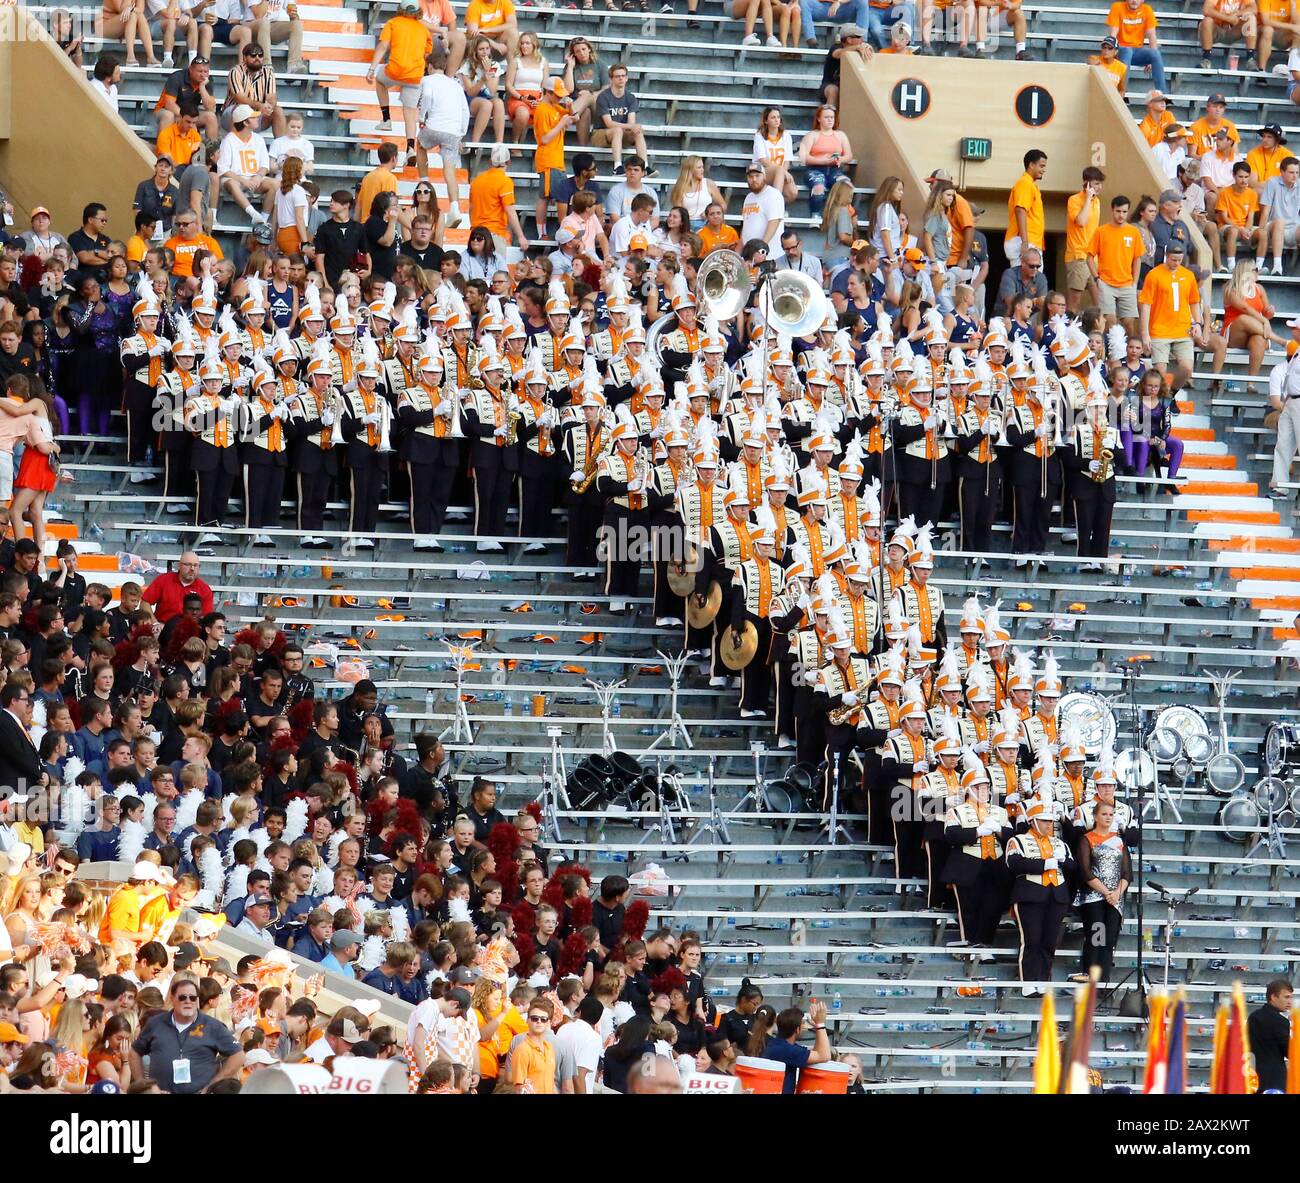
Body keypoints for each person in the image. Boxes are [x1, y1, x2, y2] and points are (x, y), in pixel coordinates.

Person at [1005, 798, 1075, 996]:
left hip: (1057, 896)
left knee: (1049, 941)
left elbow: (1073, 868)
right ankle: (1027, 982)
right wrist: (1044, 864)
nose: (1049, 824)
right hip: (1030, 895)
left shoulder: (1059, 843)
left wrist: (1063, 860)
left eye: (1051, 821)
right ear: (1033, 821)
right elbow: (1014, 863)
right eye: (1044, 820)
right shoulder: (1018, 840)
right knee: (1031, 940)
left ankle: (1044, 980)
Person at [129, 976, 243, 1092]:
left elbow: (238, 1055)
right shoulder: (156, 1023)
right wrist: (142, 1085)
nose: (188, 1001)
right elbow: (134, 1052)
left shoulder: (213, 1026)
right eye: (182, 997)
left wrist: (212, 1085)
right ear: (173, 998)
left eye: (193, 998)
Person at [1073, 798, 1132, 983]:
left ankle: (1104, 979)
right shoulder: (1087, 839)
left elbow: (1127, 872)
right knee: (1097, 934)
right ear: (1095, 817)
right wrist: (1106, 892)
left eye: (1111, 814)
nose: (1108, 817)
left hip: (1115, 898)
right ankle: (1091, 974)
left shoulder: (1119, 841)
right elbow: (1085, 870)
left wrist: (1117, 893)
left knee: (1110, 937)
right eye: (1104, 814)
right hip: (1093, 897)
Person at [368, 1, 433, 161]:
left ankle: (386, 119)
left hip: (395, 70)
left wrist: (372, 68)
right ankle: (410, 148)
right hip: (415, 75)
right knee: (410, 113)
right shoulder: (423, 28)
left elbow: (383, 46)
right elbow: (427, 53)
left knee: (380, 80)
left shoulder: (392, 23)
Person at [416, 42, 469, 230]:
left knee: (420, 145)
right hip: (453, 131)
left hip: (435, 126)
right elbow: (465, 110)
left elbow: (428, 98)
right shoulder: (455, 84)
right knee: (450, 170)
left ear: (429, 66)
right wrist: (461, 133)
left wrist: (421, 117)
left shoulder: (427, 80)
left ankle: (424, 182)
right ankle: (455, 207)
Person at [1138, 234, 1199, 393]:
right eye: (1173, 259)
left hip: (1182, 329)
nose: (1176, 263)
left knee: (1186, 369)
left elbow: (1194, 301)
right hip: (1160, 329)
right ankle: (1161, 399)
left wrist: (1197, 323)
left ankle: (1171, 393)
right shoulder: (1154, 275)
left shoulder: (1188, 275)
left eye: (1179, 260)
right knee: (1160, 370)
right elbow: (1145, 305)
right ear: (1166, 256)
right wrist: (1145, 333)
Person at [469, 145, 530, 258]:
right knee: (496, 273)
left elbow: (471, 209)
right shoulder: (505, 182)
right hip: (494, 234)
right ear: (508, 162)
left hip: (475, 235)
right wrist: (521, 237)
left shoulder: (477, 181)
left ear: (490, 161)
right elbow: (510, 211)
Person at [592, 63, 652, 176]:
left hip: (620, 134)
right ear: (611, 79)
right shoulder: (603, 97)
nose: (621, 78)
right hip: (600, 133)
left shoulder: (630, 97)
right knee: (617, 130)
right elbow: (609, 124)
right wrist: (631, 127)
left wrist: (634, 128)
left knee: (637, 132)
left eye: (623, 76)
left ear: (627, 78)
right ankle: (617, 167)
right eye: (617, 76)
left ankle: (645, 167)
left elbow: (631, 123)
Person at [798, 104, 852, 218]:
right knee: (819, 186)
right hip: (815, 170)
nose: (830, 120)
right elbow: (803, 157)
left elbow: (849, 155)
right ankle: (815, 213)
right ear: (819, 119)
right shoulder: (812, 135)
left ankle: (841, 215)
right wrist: (822, 161)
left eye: (832, 117)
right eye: (826, 117)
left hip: (834, 170)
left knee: (847, 184)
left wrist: (840, 159)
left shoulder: (840, 135)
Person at [1107, 0, 1166, 91]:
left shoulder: (1147, 10)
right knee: (1127, 50)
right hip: (1119, 50)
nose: (1134, 1)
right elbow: (1113, 34)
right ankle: (1122, 92)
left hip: (1137, 51)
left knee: (1155, 53)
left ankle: (1162, 95)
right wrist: (1111, 53)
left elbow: (1152, 35)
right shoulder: (1117, 7)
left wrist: (1151, 60)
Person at [1248, 978, 1293, 1092]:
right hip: (1274, 1078)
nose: (1290, 1001)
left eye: (1291, 997)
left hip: (1252, 1075)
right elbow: (1289, 1052)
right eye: (1286, 997)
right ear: (1273, 997)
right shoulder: (1281, 1021)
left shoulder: (1253, 1016)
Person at [1005, 148, 1046, 266]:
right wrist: (1025, 242)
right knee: (1027, 282)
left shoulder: (1030, 184)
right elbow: (1020, 210)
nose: (1044, 170)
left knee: (1032, 282)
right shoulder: (1025, 183)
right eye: (1041, 166)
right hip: (1024, 241)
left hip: (1029, 242)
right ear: (1031, 165)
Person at [1260, 155, 1300, 275]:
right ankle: (1277, 267)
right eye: (1291, 172)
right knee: (1280, 222)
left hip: (1293, 229)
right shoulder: (1272, 182)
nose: (1295, 176)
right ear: (1282, 172)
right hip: (1273, 227)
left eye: (1297, 172)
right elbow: (1265, 210)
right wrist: (1261, 231)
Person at [1199, 0, 1258, 70]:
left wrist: (1237, 14)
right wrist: (1228, 18)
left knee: (1251, 18)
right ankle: (1206, 60)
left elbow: (1254, 9)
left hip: (1234, 30)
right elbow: (1206, 9)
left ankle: (1250, 60)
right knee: (1207, 20)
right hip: (1217, 30)